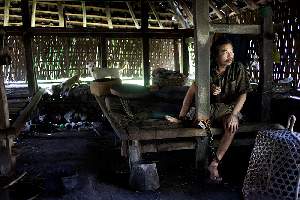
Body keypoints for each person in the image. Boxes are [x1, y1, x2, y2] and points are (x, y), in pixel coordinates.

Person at [168, 37, 251, 183]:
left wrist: (234, 115)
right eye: (225, 52)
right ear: (216, 55)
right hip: (208, 110)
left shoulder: (238, 68)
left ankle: (214, 163)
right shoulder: (206, 69)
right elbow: (192, 91)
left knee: (232, 126)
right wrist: (207, 89)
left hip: (228, 110)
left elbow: (243, 95)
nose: (230, 55)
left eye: (232, 52)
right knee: (198, 123)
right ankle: (185, 122)